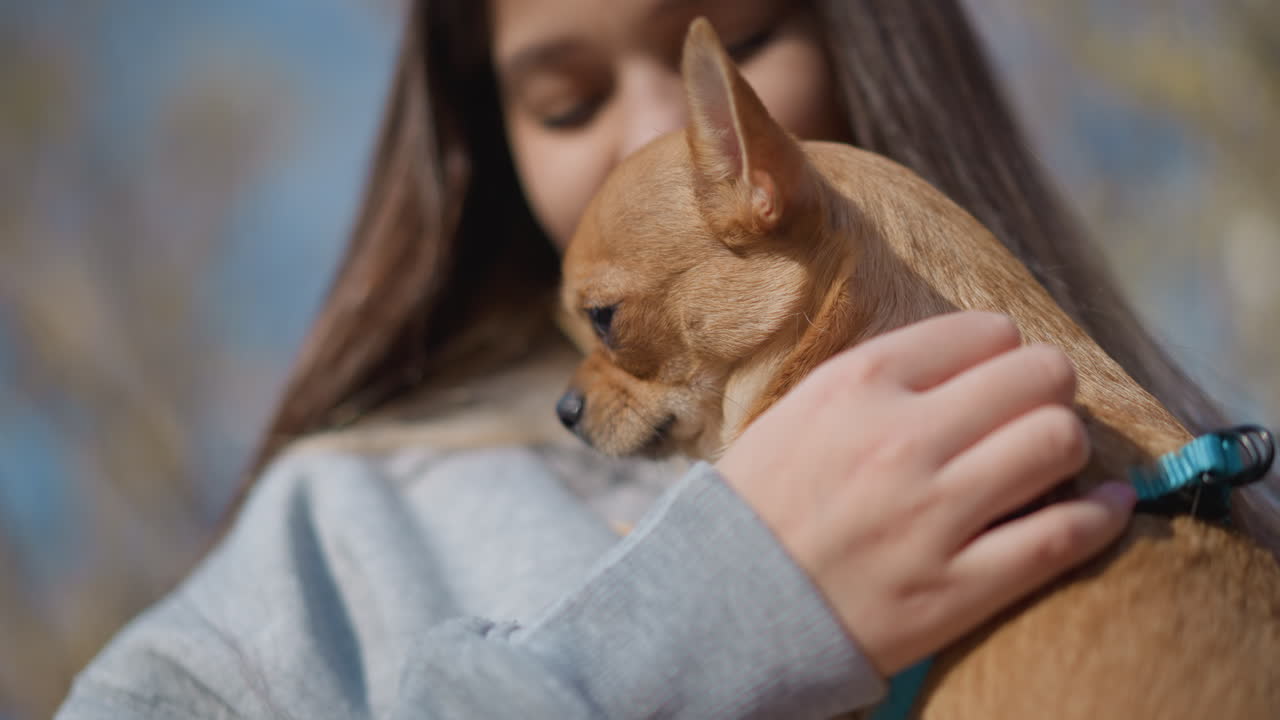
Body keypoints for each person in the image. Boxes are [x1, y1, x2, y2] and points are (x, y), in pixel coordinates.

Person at [56, 0, 1279, 718]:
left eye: (734, 38)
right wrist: (708, 615)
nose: (656, 133)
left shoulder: (1184, 482)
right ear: (483, 142)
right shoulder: (347, 528)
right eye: (566, 102)